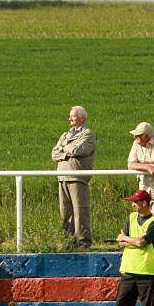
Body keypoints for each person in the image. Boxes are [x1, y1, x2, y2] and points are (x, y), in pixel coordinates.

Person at [109, 189, 154, 306]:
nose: (132, 205)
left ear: (144, 203)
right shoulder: (130, 218)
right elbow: (122, 242)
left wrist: (126, 239)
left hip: (147, 271)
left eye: (135, 202)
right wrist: (129, 240)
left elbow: (141, 242)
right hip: (128, 270)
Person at [51, 106, 96, 250]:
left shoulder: (88, 134)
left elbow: (80, 150)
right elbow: (54, 154)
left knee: (80, 210)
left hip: (77, 176)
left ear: (81, 118)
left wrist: (63, 149)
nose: (69, 118)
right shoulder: (65, 135)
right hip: (62, 177)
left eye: (73, 116)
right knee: (65, 211)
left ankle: (83, 242)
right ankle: (68, 241)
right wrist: (66, 152)